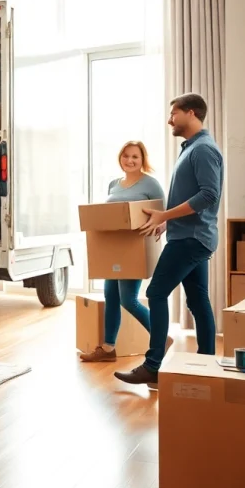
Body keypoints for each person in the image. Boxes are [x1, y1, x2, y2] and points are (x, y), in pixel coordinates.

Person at [115, 93, 224, 387]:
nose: (169, 120)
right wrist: (168, 220)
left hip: (190, 239)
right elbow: (192, 196)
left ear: (191, 113)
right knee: (198, 301)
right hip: (192, 236)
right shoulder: (192, 148)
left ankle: (153, 366)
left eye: (174, 113)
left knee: (156, 293)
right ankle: (206, 364)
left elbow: (208, 195)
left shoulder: (203, 150)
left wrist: (165, 215)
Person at [80, 141, 169, 362]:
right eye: (126, 156)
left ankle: (162, 339)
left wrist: (161, 226)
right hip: (113, 247)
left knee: (128, 300)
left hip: (134, 248)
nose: (130, 160)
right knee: (110, 296)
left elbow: (164, 214)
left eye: (135, 157)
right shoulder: (113, 184)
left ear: (142, 159)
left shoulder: (150, 184)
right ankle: (108, 348)